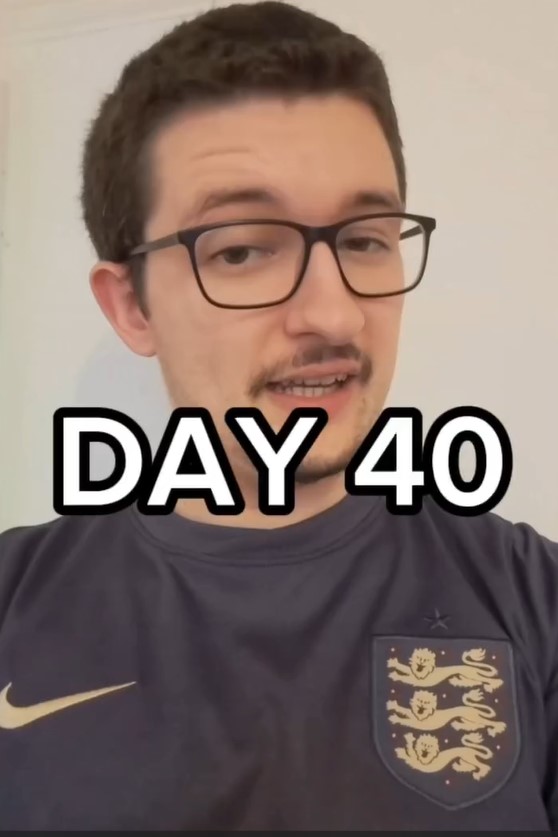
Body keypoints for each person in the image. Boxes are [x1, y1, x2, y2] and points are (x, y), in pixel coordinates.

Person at [0, 0, 556, 829]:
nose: (334, 316)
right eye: (244, 249)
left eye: (366, 237)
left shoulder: (533, 601)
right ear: (132, 307)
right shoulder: (16, 606)